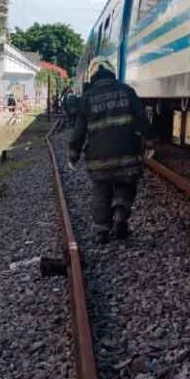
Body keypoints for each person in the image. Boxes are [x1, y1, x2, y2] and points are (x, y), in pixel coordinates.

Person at [67, 57, 155, 244]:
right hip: (128, 155)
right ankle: (120, 214)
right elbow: (141, 120)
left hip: (99, 160)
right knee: (126, 184)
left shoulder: (86, 98)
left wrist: (73, 155)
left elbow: (79, 132)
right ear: (112, 71)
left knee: (101, 191)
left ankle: (102, 232)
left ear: (92, 75)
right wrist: (150, 143)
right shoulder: (127, 92)